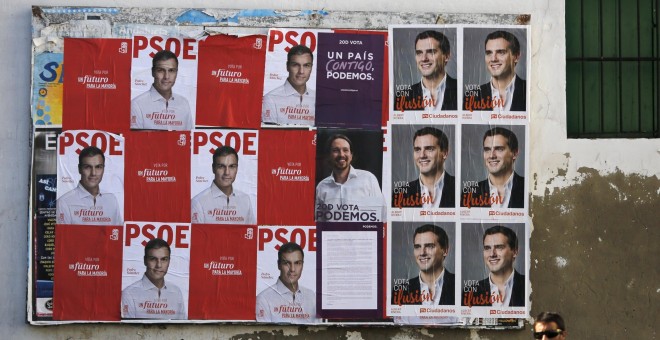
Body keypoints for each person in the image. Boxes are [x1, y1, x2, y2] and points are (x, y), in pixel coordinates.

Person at [315, 134, 386, 222]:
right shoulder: (321, 187)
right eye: (336, 150)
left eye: (345, 150)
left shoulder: (368, 179)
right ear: (329, 156)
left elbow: (381, 217)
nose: (341, 154)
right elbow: (320, 224)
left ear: (351, 155)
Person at [121, 238, 186, 319]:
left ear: (169, 261)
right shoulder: (128, 294)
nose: (159, 265)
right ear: (145, 260)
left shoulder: (176, 292)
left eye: (164, 259)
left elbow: (181, 328)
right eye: (153, 259)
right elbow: (128, 329)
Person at [56, 146, 122, 225]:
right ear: (79, 169)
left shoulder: (111, 200)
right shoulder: (64, 202)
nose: (93, 173)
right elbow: (63, 237)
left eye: (98, 167)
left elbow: (118, 234)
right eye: (87, 167)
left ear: (103, 169)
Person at [255, 242, 319, 323]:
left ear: (302, 265)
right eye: (287, 263)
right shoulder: (263, 299)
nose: (292, 269)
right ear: (279, 265)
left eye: (297, 263)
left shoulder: (312, 297)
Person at [395, 30, 457, 112]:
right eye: (419, 53)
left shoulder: (460, 90)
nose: (424, 58)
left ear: (446, 56)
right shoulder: (402, 97)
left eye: (431, 52)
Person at [392, 224, 455, 306]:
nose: (422, 253)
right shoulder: (400, 291)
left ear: (445, 251)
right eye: (417, 247)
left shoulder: (458, 286)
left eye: (429, 246)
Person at [393, 127, 455, 208]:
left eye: (429, 149)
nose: (422, 155)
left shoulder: (458, 188)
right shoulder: (399, 194)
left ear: (444, 153)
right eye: (417, 149)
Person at [191, 146, 255, 224]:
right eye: (221, 166)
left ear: (237, 169)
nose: (227, 173)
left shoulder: (245, 200)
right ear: (213, 168)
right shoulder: (198, 203)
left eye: (232, 166)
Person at [131, 50, 193, 130]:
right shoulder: (137, 105)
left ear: (176, 73)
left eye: (171, 70)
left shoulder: (184, 103)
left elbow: (189, 138)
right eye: (160, 70)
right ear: (153, 72)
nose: (166, 77)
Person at [464, 127, 524, 208]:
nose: (491, 155)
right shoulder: (469, 194)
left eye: (499, 149)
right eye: (487, 150)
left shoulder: (527, 188)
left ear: (514, 153)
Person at [467, 30, 526, 112]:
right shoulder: (472, 97)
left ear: (516, 57)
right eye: (489, 53)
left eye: (501, 52)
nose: (493, 59)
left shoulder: (529, 91)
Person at [262, 44, 315, 126]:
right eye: (295, 65)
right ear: (287, 66)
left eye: (306, 65)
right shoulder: (271, 99)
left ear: (311, 68)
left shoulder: (318, 99)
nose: (301, 71)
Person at [474, 225, 525, 307]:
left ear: (515, 252)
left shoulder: (529, 286)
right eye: (487, 248)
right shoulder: (471, 292)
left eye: (499, 247)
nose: (492, 254)